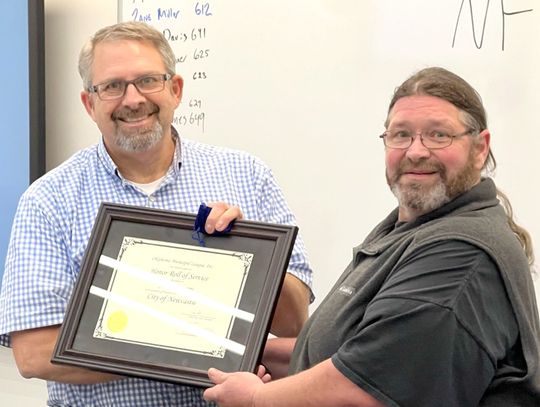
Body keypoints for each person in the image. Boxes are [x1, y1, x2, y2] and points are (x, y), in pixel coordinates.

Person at [0, 21, 313, 406]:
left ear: (175, 89)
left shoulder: (247, 176)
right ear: (89, 103)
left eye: (148, 80)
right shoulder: (48, 201)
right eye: (112, 86)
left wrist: (253, 251)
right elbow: (32, 352)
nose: (132, 99)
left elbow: (294, 323)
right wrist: (182, 346)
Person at [203, 67, 540, 406]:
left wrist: (256, 399)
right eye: (401, 134)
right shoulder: (406, 230)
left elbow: (364, 390)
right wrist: (239, 350)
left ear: (480, 147)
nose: (416, 151)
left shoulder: (461, 254)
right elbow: (347, 351)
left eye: (438, 135)